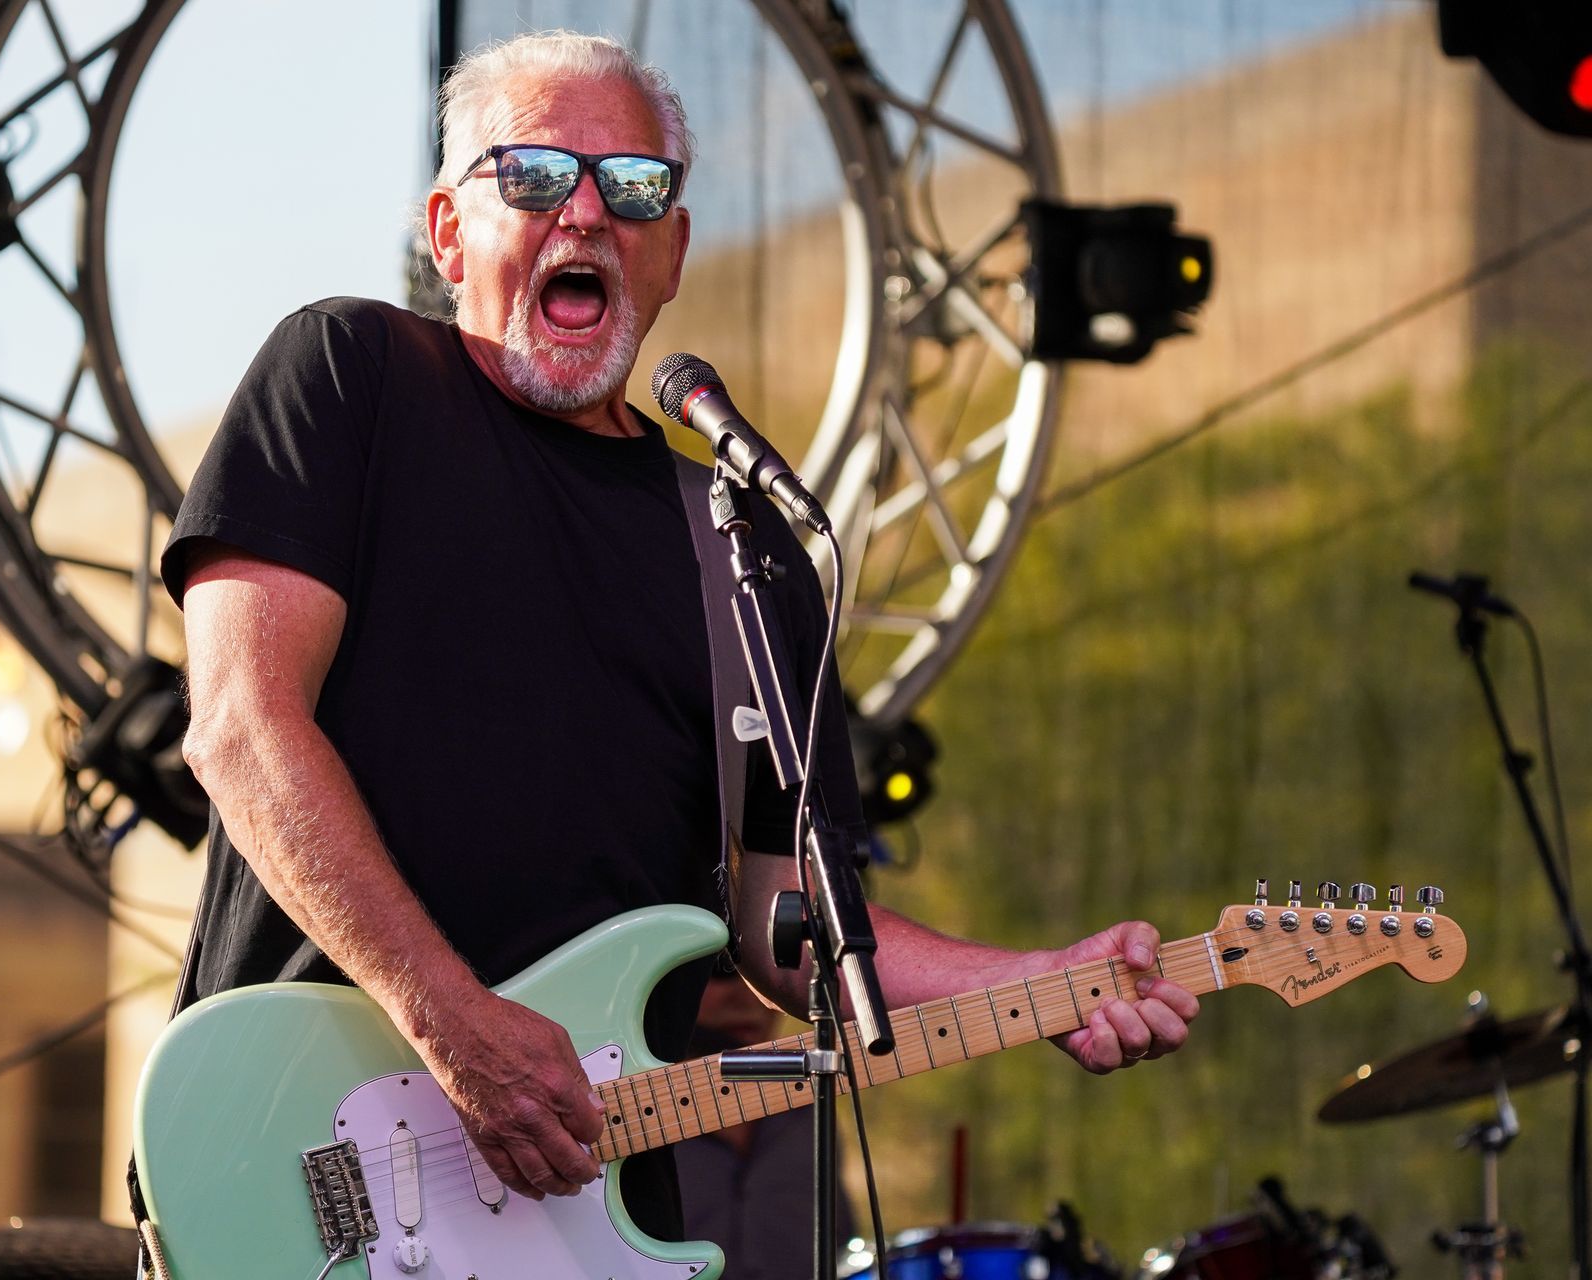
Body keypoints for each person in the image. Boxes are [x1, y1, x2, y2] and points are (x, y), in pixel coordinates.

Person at [162, 29, 1200, 1244]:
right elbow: (240, 728)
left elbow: (790, 926)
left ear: (673, 254)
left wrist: (1038, 983)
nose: (588, 215)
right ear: (447, 231)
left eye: (634, 188)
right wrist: (450, 1018)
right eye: (538, 176)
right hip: (294, 1165)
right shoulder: (351, 374)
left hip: (581, 1221)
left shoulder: (742, 544)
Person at [675, 970, 859, 1279]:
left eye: (763, 976)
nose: (749, 997)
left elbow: (844, 1249)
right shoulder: (623, 1116)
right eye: (721, 973)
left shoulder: (807, 1109)